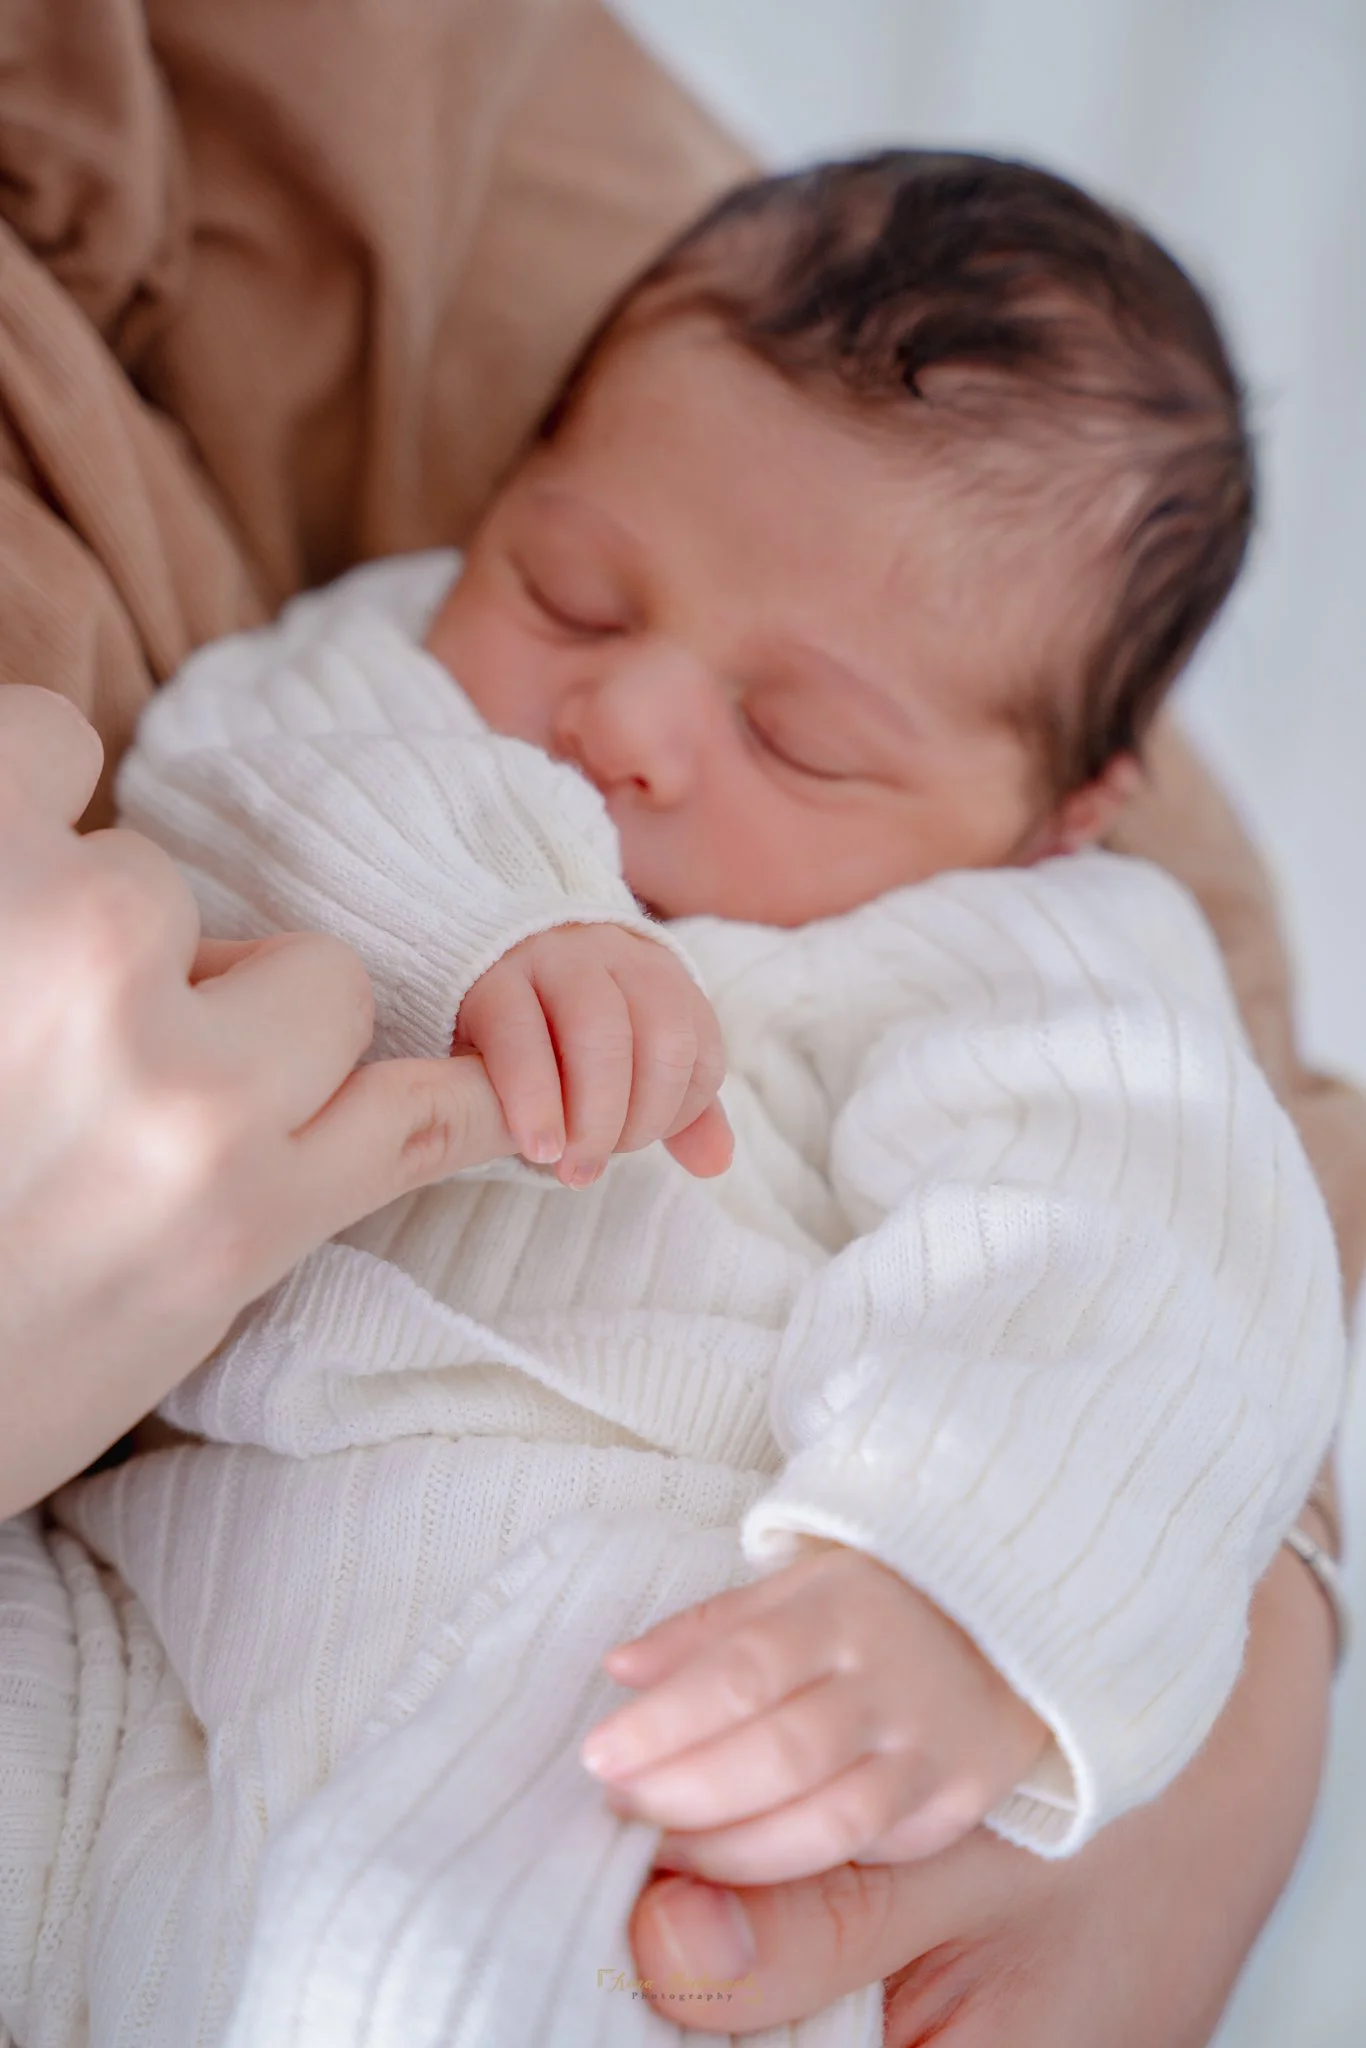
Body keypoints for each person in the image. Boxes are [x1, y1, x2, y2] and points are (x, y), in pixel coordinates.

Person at [0, 8, 1360, 2045]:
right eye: (567, 590)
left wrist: (948, 1594)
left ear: (1064, 813)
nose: (620, 723)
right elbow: (229, 780)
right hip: (155, 1586)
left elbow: (1137, 1277)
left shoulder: (1041, 959)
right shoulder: (392, 671)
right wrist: (479, 921)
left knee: (455, 1975)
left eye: (794, 735)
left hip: (629, 1635)